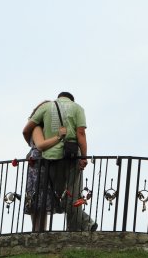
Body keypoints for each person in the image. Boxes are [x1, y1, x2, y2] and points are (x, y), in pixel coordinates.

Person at [22, 92, 97, 232]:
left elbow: (26, 130)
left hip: (50, 159)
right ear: (71, 99)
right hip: (72, 156)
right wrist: (84, 158)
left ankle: (83, 224)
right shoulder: (77, 108)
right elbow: (81, 134)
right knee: (72, 195)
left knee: (59, 195)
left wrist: (31, 147)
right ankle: (76, 229)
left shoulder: (46, 107)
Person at [23, 100, 67, 232]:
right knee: (39, 200)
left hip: (38, 167)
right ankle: (38, 232)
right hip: (39, 168)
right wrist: (59, 137)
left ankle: (38, 231)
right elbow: (41, 145)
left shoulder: (38, 129)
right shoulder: (37, 128)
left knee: (38, 201)